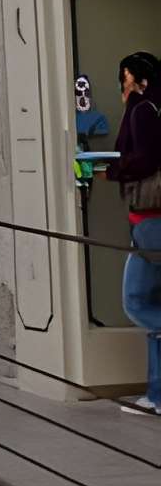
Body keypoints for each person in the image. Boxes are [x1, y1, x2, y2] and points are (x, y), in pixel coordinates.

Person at [109, 51, 161, 417]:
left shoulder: (143, 109)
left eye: (123, 75)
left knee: (136, 301)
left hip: (150, 217)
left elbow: (144, 158)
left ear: (132, 76)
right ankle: (157, 396)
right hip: (151, 218)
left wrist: (111, 169)